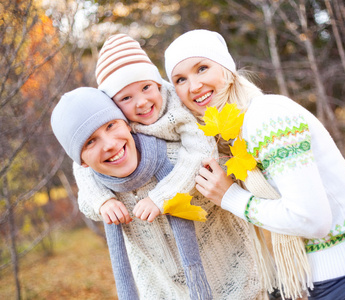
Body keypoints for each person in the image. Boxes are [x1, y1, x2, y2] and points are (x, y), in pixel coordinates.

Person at [164, 29, 345, 300]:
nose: (193, 86)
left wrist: (231, 197)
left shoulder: (267, 117)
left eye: (202, 68)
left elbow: (311, 220)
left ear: (227, 70)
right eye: (180, 79)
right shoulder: (235, 137)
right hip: (331, 283)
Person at [68, 36, 278, 299]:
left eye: (147, 88)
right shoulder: (117, 131)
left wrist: (161, 195)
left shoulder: (177, 110)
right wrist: (102, 201)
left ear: (157, 83)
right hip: (164, 284)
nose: (142, 102)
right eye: (126, 98)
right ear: (114, 108)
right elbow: (83, 165)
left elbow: (201, 152)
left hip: (230, 268)